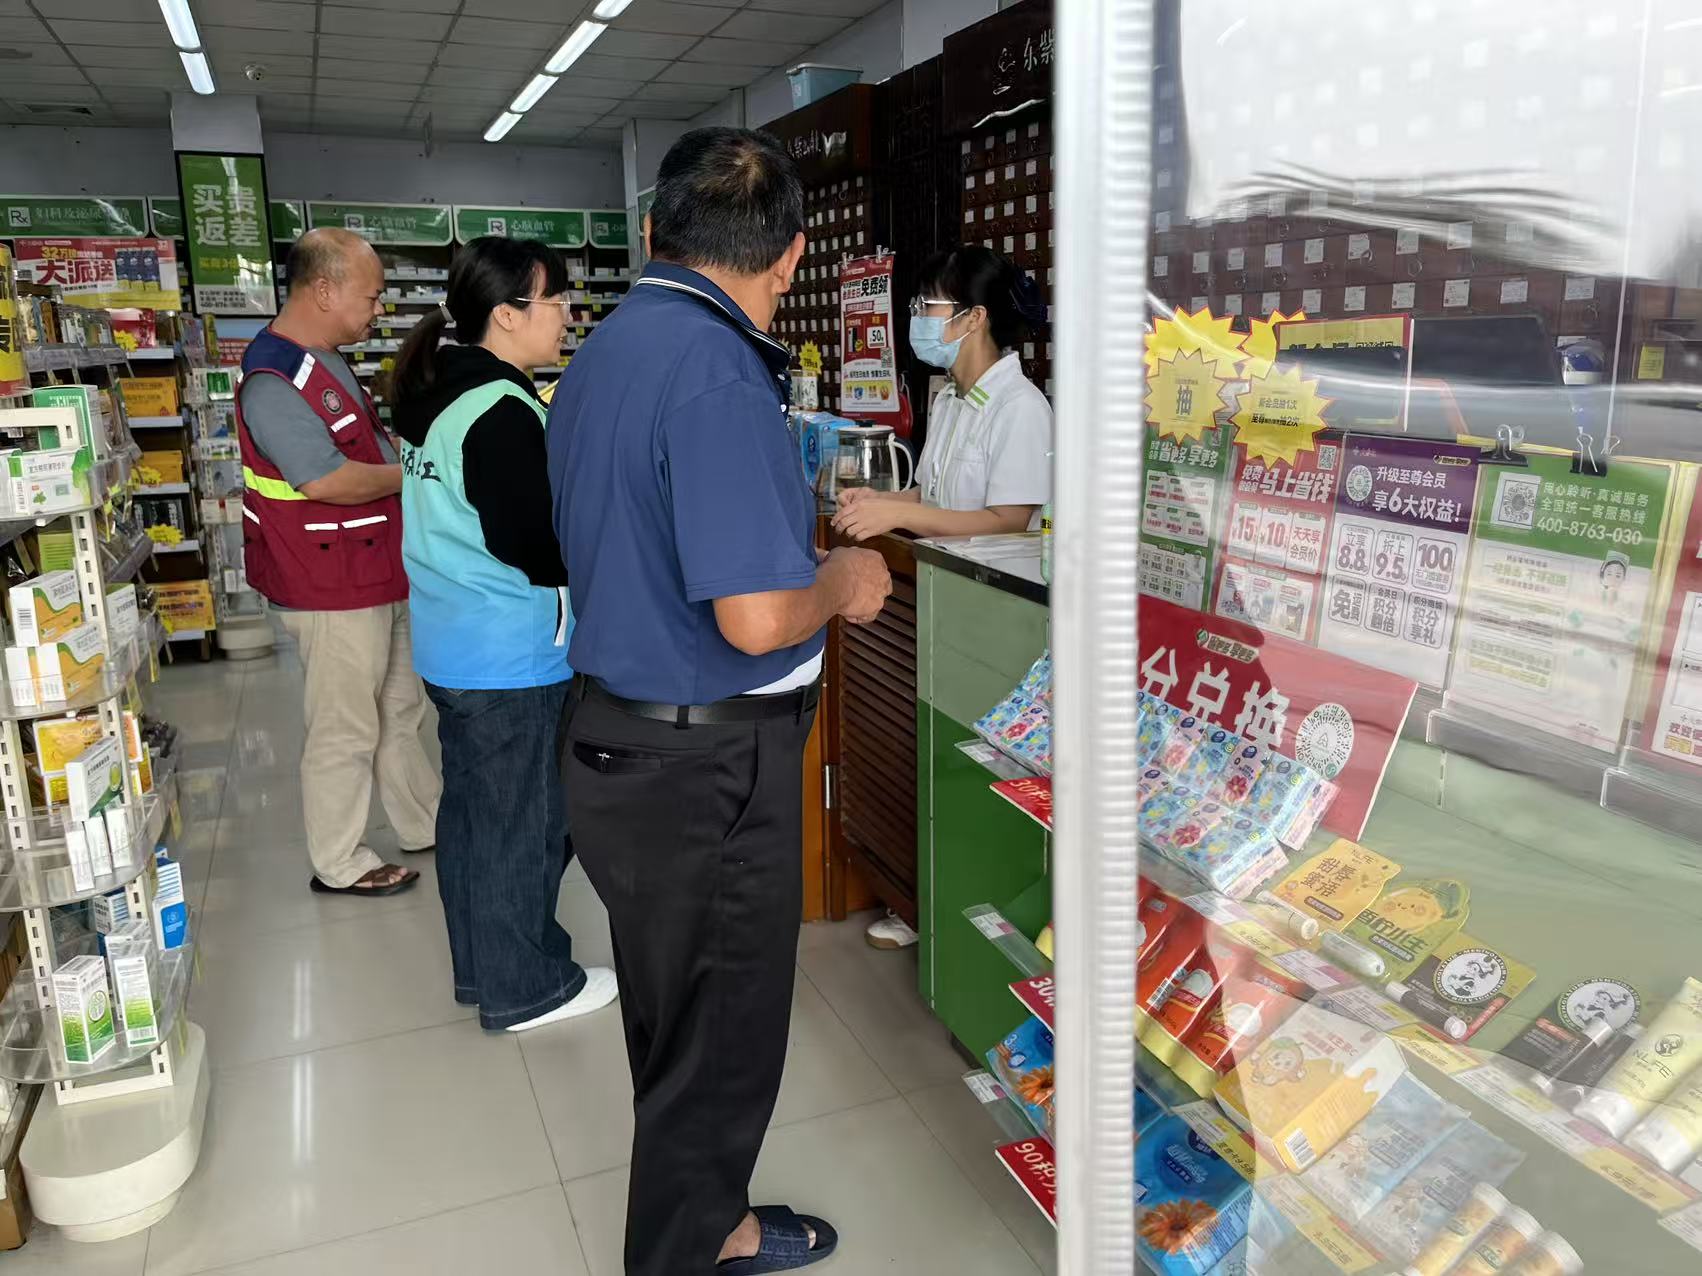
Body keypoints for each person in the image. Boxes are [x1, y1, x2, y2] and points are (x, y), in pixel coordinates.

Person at [547, 126, 891, 1275]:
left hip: (615, 740)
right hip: (705, 768)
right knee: (724, 1030)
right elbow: (753, 617)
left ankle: (714, 1218)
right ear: (789, 257)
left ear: (654, 230)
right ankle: (687, 1247)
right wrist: (841, 580)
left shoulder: (603, 351)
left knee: (675, 1018)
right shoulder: (717, 372)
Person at [390, 236, 618, 1033]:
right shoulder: (500, 411)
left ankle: (481, 968)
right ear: (508, 314)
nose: (567, 315)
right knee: (524, 823)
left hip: (452, 642)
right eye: (555, 300)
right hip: (510, 655)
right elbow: (535, 547)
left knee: (473, 818)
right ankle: (526, 986)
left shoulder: (437, 391)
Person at [832, 245, 1054, 950]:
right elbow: (933, 493)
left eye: (928, 306)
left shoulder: (1021, 407)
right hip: (940, 601)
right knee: (930, 749)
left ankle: (971, 912)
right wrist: (885, 500)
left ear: (973, 317)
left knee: (975, 762)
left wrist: (899, 514)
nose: (918, 319)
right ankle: (923, 897)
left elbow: (1008, 520)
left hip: (995, 616)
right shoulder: (952, 396)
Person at [236, 227, 440, 898]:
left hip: (375, 571)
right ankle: (341, 860)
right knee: (345, 726)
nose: (379, 309)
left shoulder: (323, 360)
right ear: (324, 290)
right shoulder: (274, 378)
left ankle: (426, 822)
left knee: (400, 710)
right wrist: (416, 474)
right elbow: (322, 478)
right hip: (329, 583)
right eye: (372, 296)